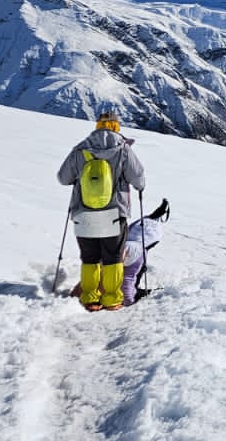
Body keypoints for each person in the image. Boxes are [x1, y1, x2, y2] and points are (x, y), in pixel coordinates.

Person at [57, 104, 145, 311]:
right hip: (114, 214)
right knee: (113, 257)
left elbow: (63, 178)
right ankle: (112, 299)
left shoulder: (80, 149)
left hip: (84, 213)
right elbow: (139, 177)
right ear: (116, 127)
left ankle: (89, 298)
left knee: (89, 258)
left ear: (97, 126)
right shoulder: (123, 149)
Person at [121, 197, 169, 305]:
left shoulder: (141, 225)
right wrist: (129, 301)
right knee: (131, 274)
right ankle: (133, 293)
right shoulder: (138, 254)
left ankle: (132, 290)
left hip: (130, 245)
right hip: (137, 250)